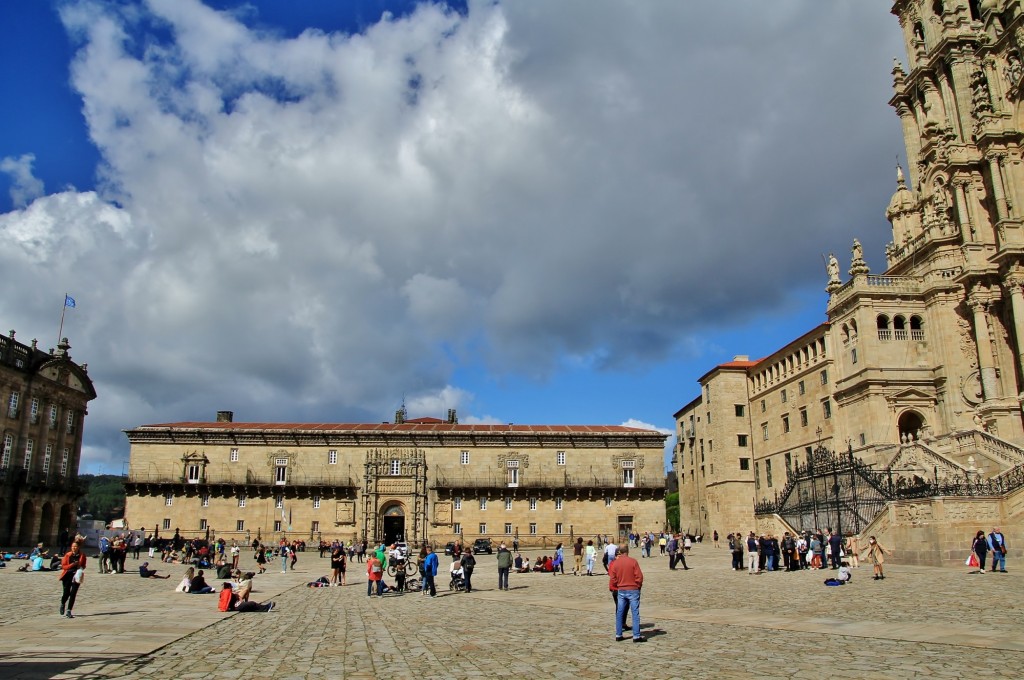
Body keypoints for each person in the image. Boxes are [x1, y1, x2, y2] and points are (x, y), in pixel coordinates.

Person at [608, 545, 645, 643]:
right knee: (635, 613)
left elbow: (613, 577)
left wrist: (618, 584)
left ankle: (618, 634)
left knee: (620, 612)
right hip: (633, 589)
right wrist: (638, 586)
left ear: (620, 551)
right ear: (627, 551)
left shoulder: (615, 563)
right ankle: (636, 636)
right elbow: (639, 576)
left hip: (621, 590)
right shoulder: (633, 561)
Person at [58, 539, 87, 618]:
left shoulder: (82, 555)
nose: (74, 548)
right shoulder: (68, 555)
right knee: (66, 593)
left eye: (75, 546)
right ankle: (63, 603)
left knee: (73, 593)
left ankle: (69, 610)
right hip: (67, 575)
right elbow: (64, 566)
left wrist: (80, 567)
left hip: (76, 576)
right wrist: (72, 564)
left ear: (78, 547)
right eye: (72, 546)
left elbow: (84, 565)